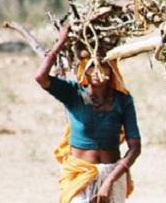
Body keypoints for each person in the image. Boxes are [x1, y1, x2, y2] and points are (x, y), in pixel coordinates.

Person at [35, 25, 141, 203]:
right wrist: (61, 41)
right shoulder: (73, 93)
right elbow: (41, 78)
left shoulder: (122, 100)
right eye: (92, 66)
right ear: (84, 69)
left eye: (104, 66)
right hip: (79, 174)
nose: (98, 72)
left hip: (112, 173)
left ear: (112, 70)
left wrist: (109, 181)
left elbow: (135, 146)